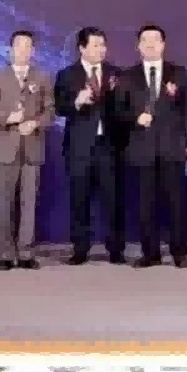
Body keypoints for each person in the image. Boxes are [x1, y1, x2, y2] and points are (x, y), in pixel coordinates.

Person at [114, 24, 187, 268]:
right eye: (145, 40)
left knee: (176, 203)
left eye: (155, 40)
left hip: (173, 147)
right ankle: (150, 254)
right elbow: (117, 111)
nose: (150, 44)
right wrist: (135, 118)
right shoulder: (127, 76)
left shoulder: (179, 73)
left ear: (163, 44)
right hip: (142, 148)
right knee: (145, 205)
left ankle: (179, 253)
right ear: (138, 46)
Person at [54, 27, 126, 265]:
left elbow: (124, 107)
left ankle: (116, 249)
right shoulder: (67, 74)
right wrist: (77, 101)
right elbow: (59, 107)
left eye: (103, 44)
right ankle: (80, 249)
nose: (101, 49)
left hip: (109, 147)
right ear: (82, 48)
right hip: (79, 148)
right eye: (96, 44)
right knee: (80, 200)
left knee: (113, 200)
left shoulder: (116, 73)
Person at [0, 30, 53, 269]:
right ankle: (4, 254)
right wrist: (9, 117)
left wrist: (35, 123)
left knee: (29, 204)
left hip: (32, 148)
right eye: (18, 46)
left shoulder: (42, 77)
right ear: (10, 49)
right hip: (5, 148)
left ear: (33, 51)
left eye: (27, 46)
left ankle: (26, 253)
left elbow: (50, 111)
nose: (23, 50)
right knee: (4, 203)